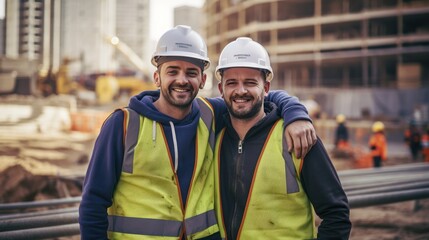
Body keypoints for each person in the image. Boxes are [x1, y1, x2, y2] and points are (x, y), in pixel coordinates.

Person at [79, 25, 317, 239]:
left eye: (191, 73)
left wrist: (296, 113)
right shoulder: (124, 124)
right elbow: (93, 203)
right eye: (172, 71)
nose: (182, 80)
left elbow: (255, 96)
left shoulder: (210, 113)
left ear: (203, 80)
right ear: (156, 77)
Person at [213, 37, 351, 239]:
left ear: (266, 88)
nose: (240, 91)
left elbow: (336, 214)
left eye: (250, 83)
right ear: (221, 89)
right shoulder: (213, 137)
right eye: (232, 83)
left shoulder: (296, 137)